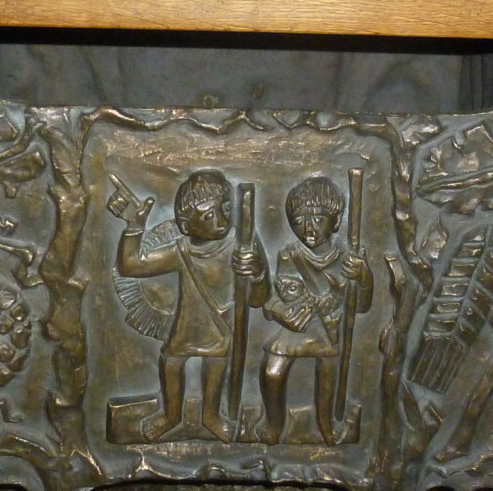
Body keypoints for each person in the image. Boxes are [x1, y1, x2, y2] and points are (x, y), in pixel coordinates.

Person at [108, 169, 267, 441]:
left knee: (215, 364)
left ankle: (211, 416)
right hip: (186, 325)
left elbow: (258, 299)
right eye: (208, 216)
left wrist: (257, 272)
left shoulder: (243, 244)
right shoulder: (182, 251)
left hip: (220, 324)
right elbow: (131, 266)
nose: (221, 221)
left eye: (226, 209)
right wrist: (134, 226)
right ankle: (170, 415)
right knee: (172, 362)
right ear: (186, 225)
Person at [258, 176, 371, 444]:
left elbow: (363, 306)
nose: (308, 229)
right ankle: (274, 423)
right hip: (296, 326)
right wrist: (281, 310)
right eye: (298, 221)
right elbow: (275, 298)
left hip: (327, 330)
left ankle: (326, 426)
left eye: (318, 219)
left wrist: (364, 278)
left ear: (336, 220)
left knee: (327, 376)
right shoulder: (289, 255)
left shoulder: (348, 258)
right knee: (272, 372)